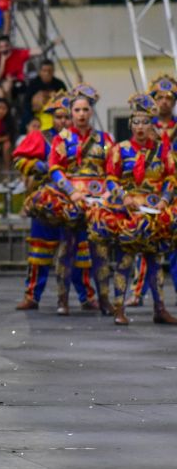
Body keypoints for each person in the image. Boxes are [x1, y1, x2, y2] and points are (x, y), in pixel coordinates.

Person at [89, 93, 177, 325]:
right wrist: (124, 196)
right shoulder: (120, 149)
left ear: (152, 125)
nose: (140, 127)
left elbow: (171, 178)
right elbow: (110, 179)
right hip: (128, 213)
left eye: (145, 122)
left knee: (156, 262)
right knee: (125, 261)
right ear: (130, 124)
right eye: (136, 122)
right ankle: (119, 309)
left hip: (155, 211)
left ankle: (160, 309)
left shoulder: (162, 151)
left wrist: (165, 200)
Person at [13, 92, 97, 311]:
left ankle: (86, 296)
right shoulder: (40, 137)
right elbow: (18, 158)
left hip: (76, 199)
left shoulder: (82, 138)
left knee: (81, 250)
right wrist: (35, 165)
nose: (63, 121)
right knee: (40, 249)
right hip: (48, 200)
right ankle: (32, 296)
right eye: (58, 117)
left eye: (65, 116)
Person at [38, 84, 113, 315]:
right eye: (77, 110)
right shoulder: (62, 139)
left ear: (91, 112)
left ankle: (104, 300)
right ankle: (62, 300)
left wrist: (109, 191)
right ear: (71, 113)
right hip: (70, 200)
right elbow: (55, 169)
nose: (81, 114)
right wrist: (71, 191)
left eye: (85, 110)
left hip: (98, 201)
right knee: (67, 249)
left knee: (99, 251)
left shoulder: (104, 138)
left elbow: (112, 170)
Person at [129, 74, 177, 305]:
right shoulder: (145, 124)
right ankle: (138, 293)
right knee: (145, 243)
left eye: (169, 98)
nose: (165, 102)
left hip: (172, 188)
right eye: (160, 97)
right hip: (153, 193)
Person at [24, 59, 68, 128]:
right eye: (44, 71)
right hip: (37, 116)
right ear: (40, 72)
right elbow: (27, 104)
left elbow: (65, 102)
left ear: (53, 71)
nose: (47, 73)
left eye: (49, 71)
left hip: (55, 115)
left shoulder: (59, 84)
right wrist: (33, 118)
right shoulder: (33, 84)